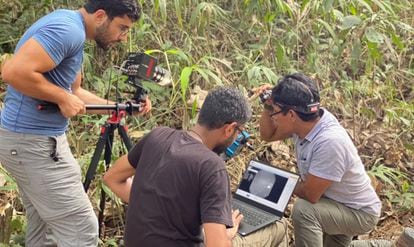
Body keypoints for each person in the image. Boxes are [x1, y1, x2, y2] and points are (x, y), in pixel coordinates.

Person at [0, 0, 151, 246]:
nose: (123, 37)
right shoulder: (67, 31)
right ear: (102, 16)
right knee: (81, 227)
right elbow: (13, 73)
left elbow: (75, 92)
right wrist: (61, 97)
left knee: (45, 225)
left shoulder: (73, 29)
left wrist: (121, 107)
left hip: (30, 141)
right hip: (32, 143)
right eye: (122, 28)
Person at [103, 86, 288, 247]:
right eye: (239, 131)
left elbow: (112, 178)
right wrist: (225, 235)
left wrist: (154, 206)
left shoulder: (157, 136)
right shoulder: (212, 166)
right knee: (279, 227)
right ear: (229, 129)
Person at [259, 73, 381, 247]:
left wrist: (277, 181)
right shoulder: (306, 119)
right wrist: (268, 106)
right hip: (334, 201)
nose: (274, 117)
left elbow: (310, 194)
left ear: (291, 114)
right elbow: (267, 135)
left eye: (276, 112)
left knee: (304, 211)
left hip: (357, 212)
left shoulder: (329, 141)